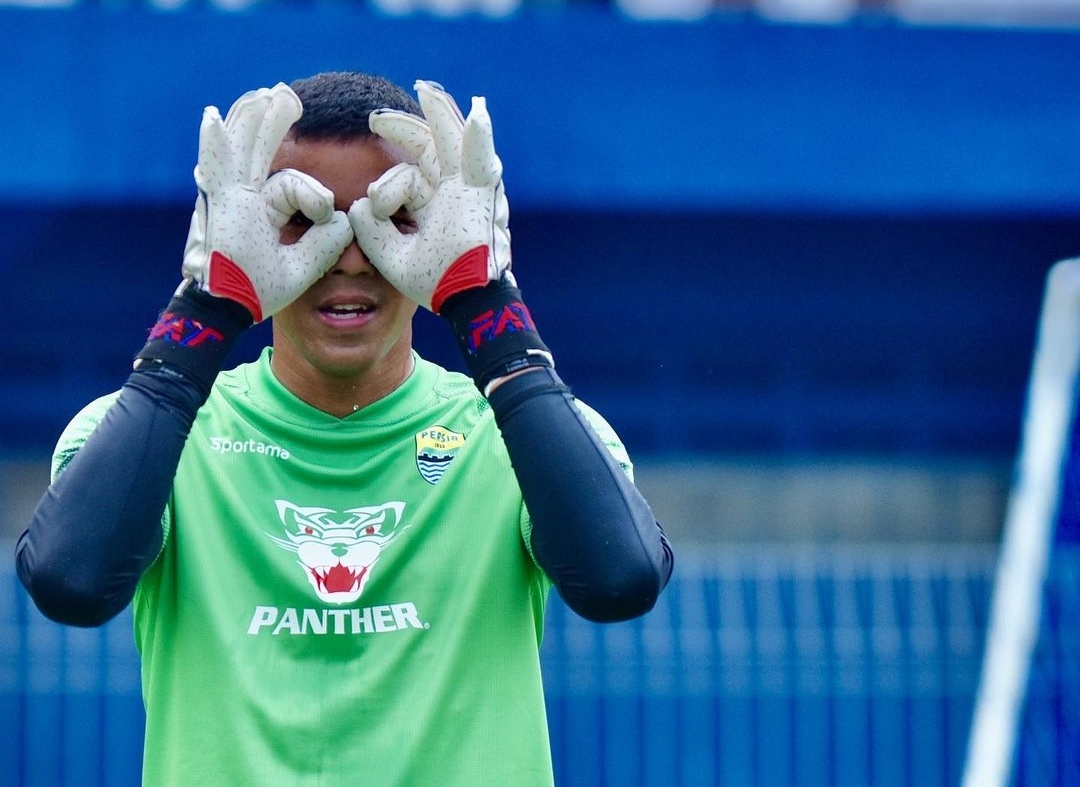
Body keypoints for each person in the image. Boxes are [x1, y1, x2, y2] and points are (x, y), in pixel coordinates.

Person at [14, 71, 673, 786]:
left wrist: (489, 306)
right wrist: (202, 316)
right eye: (303, 220)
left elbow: (622, 579)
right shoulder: (157, 431)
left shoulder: (518, 433)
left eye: (391, 221)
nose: (351, 258)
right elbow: (69, 583)